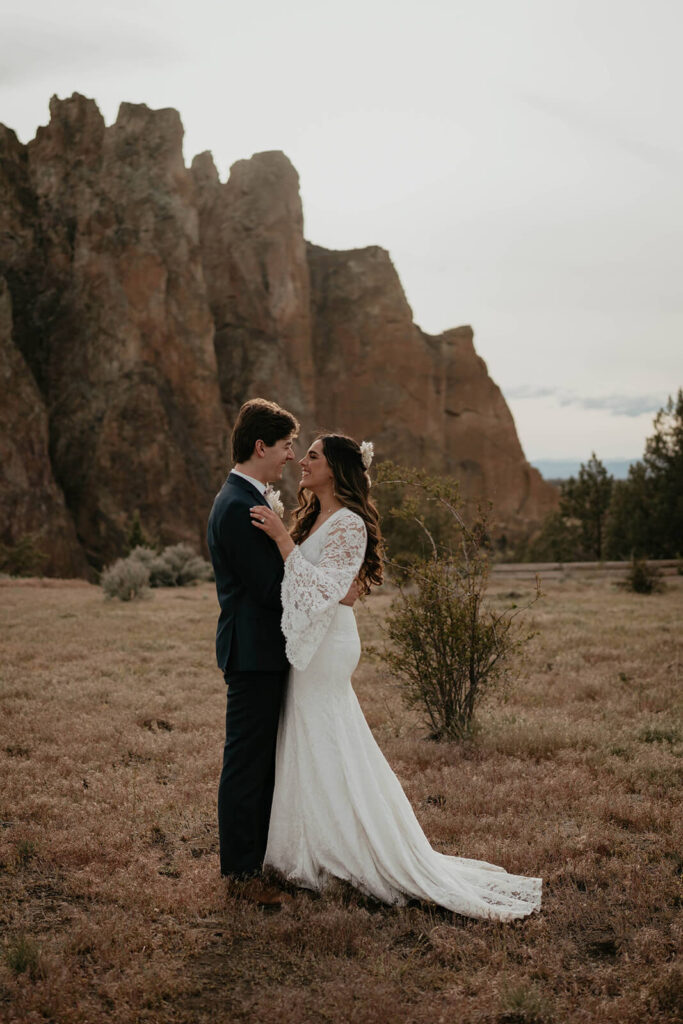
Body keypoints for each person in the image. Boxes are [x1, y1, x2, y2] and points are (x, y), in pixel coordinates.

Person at [250, 433, 542, 920]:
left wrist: (282, 539)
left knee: (326, 738)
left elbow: (340, 590)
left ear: (338, 469)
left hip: (330, 648)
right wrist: (286, 541)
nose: (302, 461)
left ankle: (347, 852)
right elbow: (300, 579)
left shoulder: (349, 523)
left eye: (314, 456)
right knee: (311, 737)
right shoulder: (316, 518)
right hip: (311, 643)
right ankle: (312, 846)